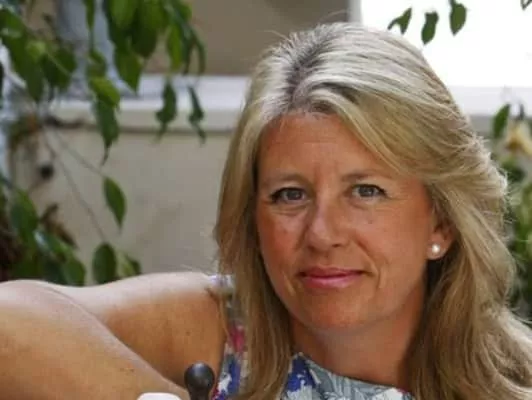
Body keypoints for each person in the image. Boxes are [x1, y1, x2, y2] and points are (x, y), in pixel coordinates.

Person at [1, 22, 531, 400]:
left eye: (366, 191)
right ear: (252, 219)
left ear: (441, 221)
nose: (322, 233)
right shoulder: (223, 330)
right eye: (289, 195)